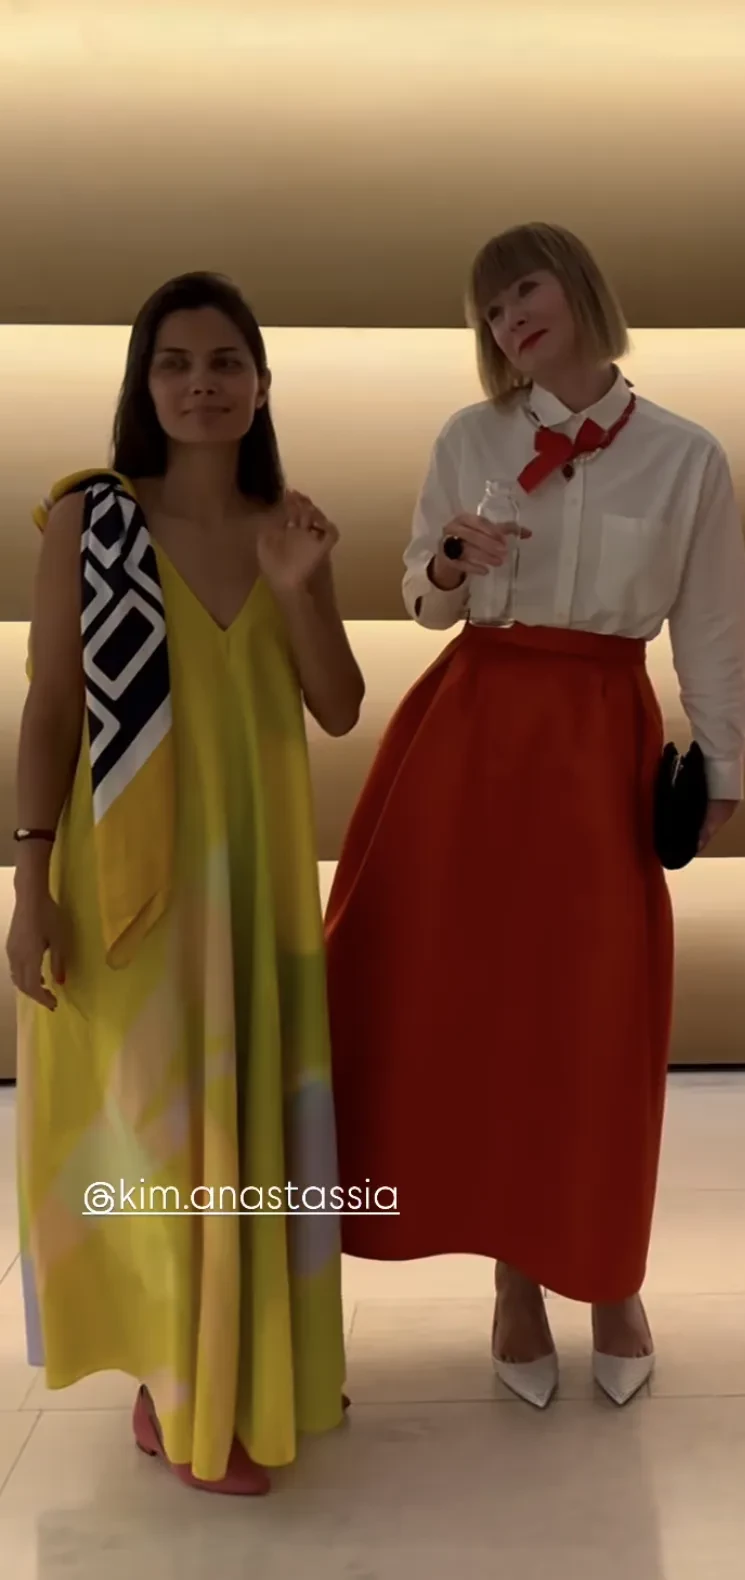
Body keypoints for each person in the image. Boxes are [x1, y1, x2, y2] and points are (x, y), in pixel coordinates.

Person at [324, 221, 745, 1409]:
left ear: (578, 288)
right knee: (480, 1008)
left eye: (524, 288)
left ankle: (610, 1273)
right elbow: (421, 601)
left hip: (601, 738)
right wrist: (449, 563)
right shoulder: (468, 438)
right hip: (471, 732)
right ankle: (514, 1279)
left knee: (599, 1011)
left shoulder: (686, 455)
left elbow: (712, 617)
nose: (509, 317)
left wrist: (721, 760)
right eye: (489, 307)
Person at [6, 271, 365, 1495]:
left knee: (253, 1120)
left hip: (257, 875)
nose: (201, 383)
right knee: (155, 1134)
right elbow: (51, 708)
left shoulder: (288, 525)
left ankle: (256, 1357)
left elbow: (338, 703)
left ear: (261, 384)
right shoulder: (90, 520)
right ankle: (180, 1383)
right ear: (143, 384)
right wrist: (29, 882)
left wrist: (300, 586)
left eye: (224, 362)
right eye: (175, 362)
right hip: (131, 879)